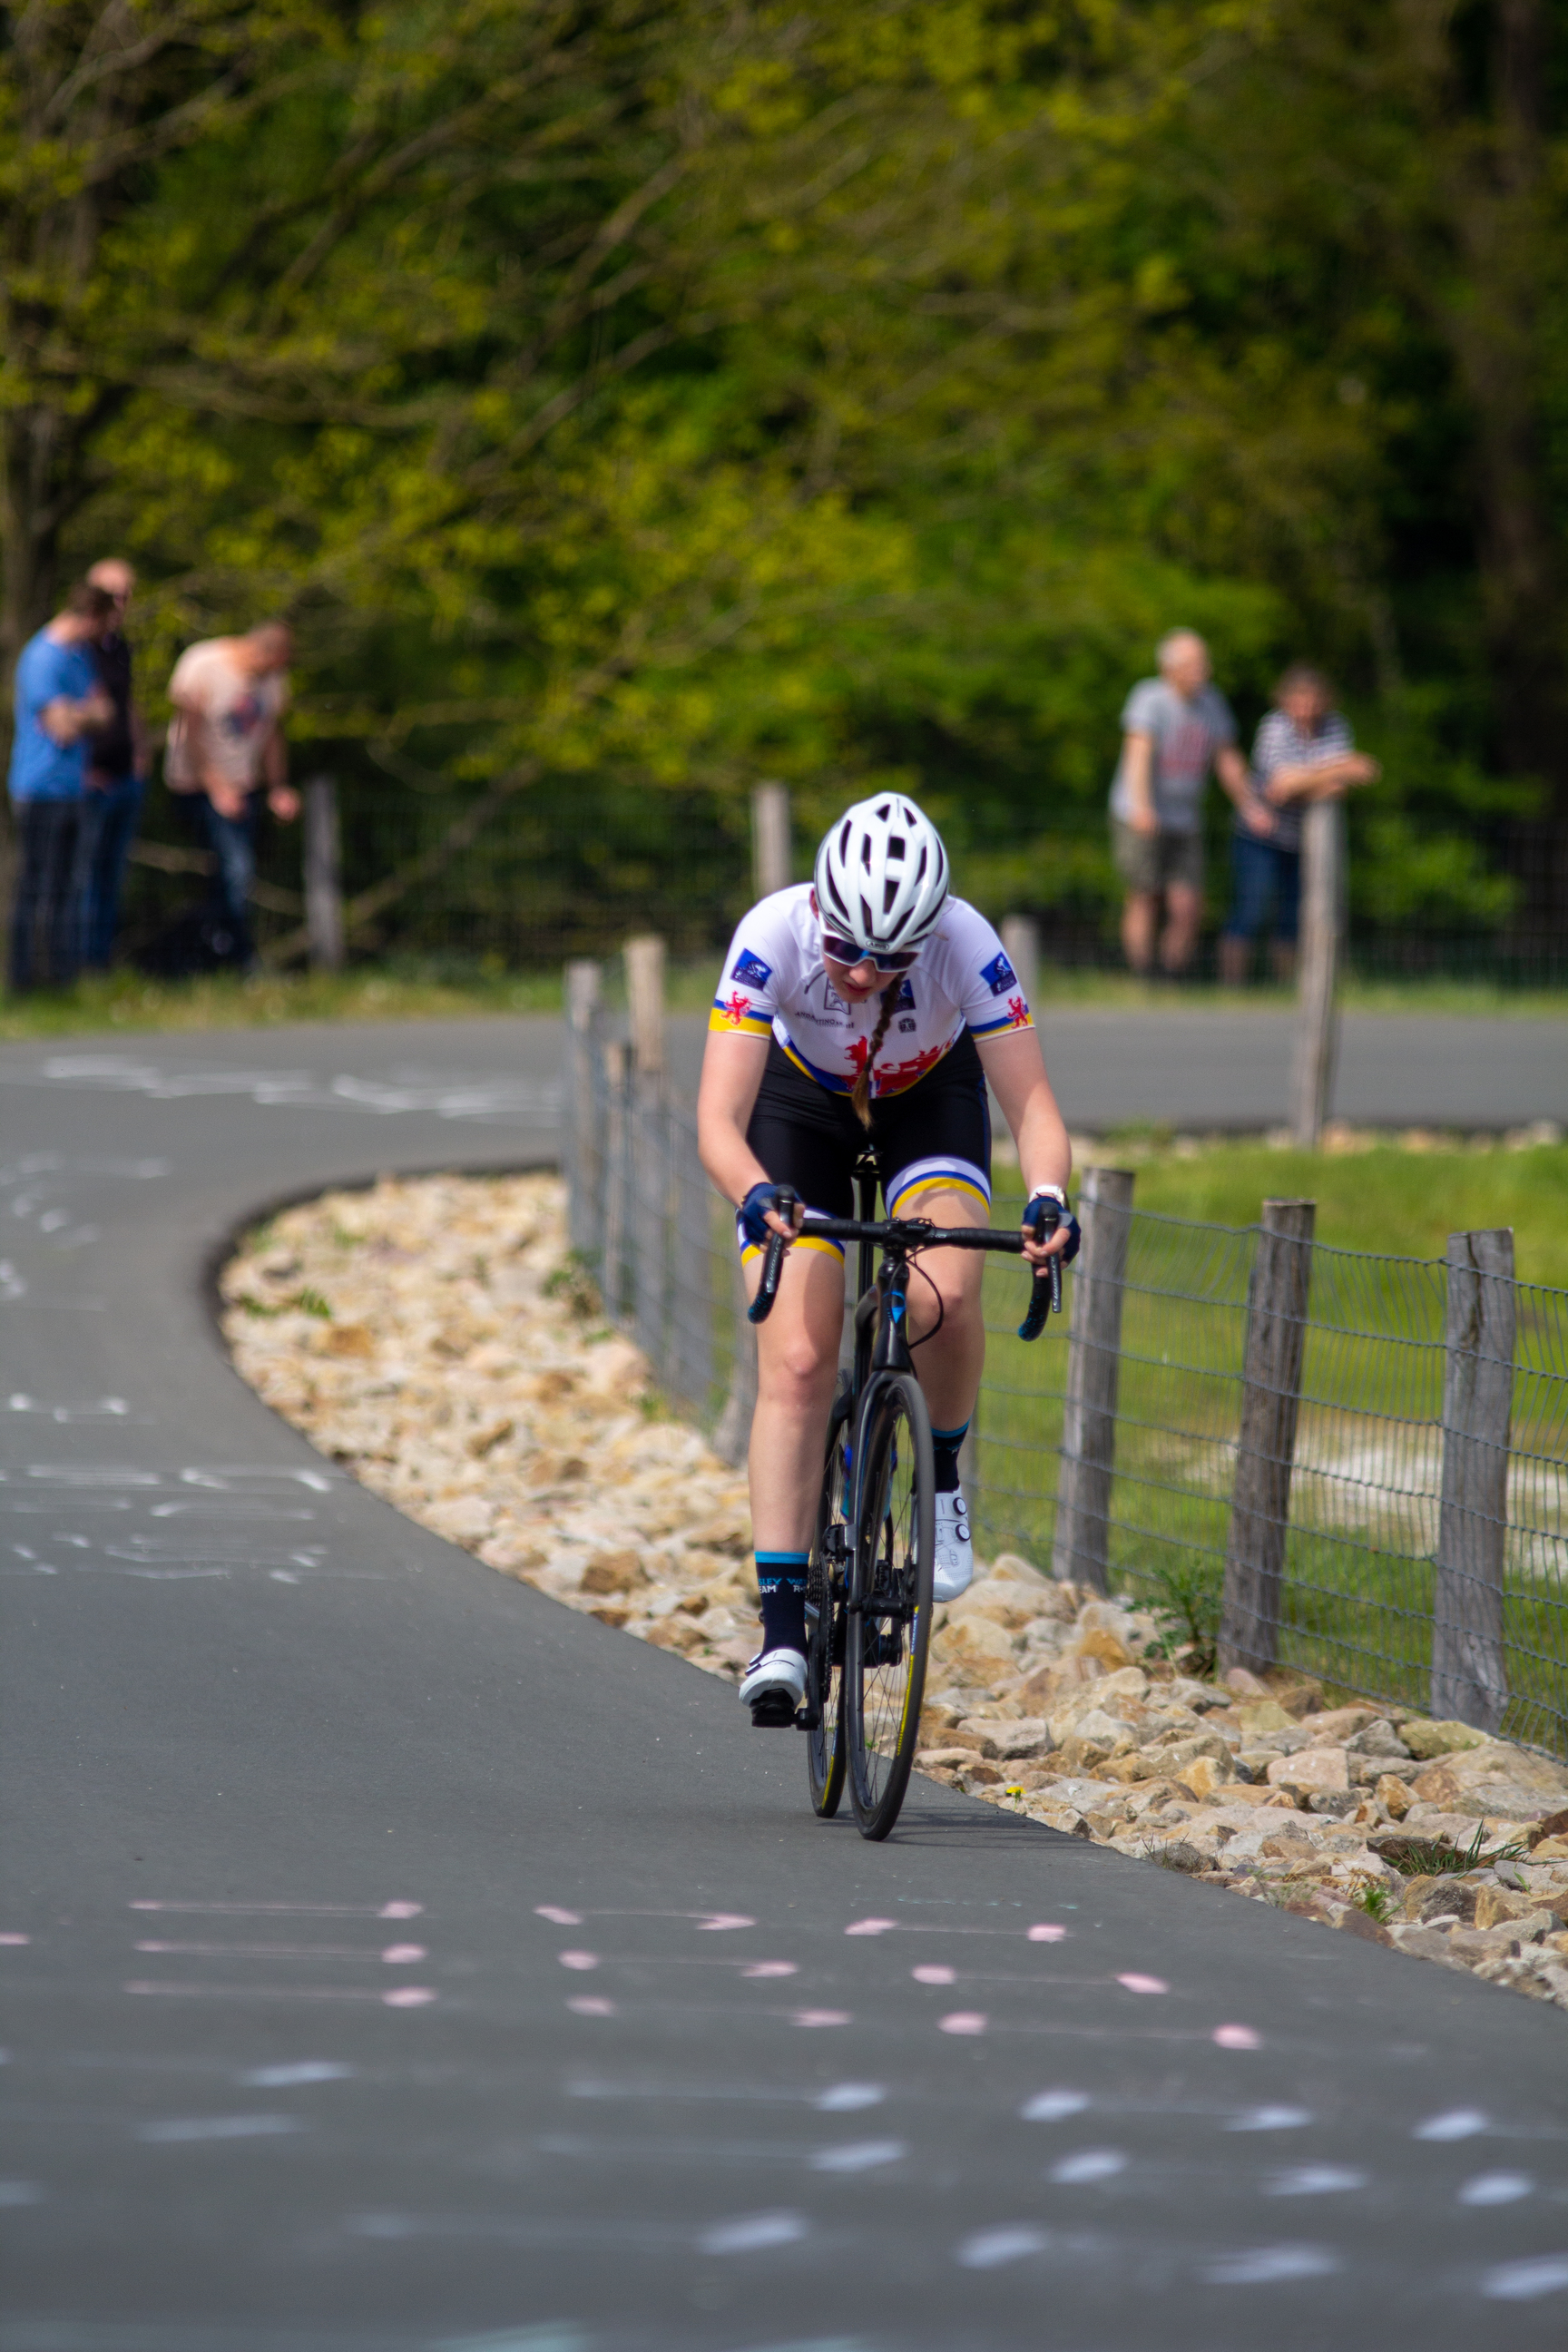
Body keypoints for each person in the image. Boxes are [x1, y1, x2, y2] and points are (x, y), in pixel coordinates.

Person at [696, 794, 1080, 1724]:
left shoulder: (968, 943)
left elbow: (1031, 1106)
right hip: (799, 1110)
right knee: (797, 1356)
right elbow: (716, 1121)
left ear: (930, 935)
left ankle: (943, 1479)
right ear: (820, 912)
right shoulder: (771, 936)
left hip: (924, 1101)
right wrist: (756, 1194)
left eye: (893, 957)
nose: (865, 974)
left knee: (946, 1286)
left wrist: (1049, 1198)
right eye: (848, 951)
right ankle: (782, 1632)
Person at [1219, 664, 1380, 985]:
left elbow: (1356, 778)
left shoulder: (1335, 725)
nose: (1306, 708)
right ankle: (1232, 985)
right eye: (1299, 699)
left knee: (1293, 916)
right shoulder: (1274, 726)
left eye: (1314, 700)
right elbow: (1281, 784)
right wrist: (1337, 768)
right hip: (1260, 834)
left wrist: (1305, 778)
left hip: (1305, 839)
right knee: (1251, 908)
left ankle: (1285, 986)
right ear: (1285, 699)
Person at [1109, 629, 1255, 977]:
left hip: (1185, 817)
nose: (1203, 671)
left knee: (1187, 903)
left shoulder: (1211, 701)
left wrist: (1250, 803)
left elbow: (1226, 757)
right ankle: (1142, 976)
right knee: (1144, 895)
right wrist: (1143, 807)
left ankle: (1172, 976)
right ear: (1169, 668)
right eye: (1195, 664)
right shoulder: (1150, 697)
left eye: (1204, 664)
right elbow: (1138, 754)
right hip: (1139, 813)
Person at [165, 621, 299, 969]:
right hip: (197, 788)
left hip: (244, 789)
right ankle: (234, 960)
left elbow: (271, 735)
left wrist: (278, 787)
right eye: (275, 665)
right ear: (262, 652)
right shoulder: (203, 663)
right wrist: (217, 789)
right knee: (231, 871)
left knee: (238, 874)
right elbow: (188, 733)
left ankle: (222, 956)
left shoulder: (271, 679)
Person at [6, 581, 116, 993]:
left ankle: (59, 978)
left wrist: (80, 712)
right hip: (40, 789)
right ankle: (24, 980)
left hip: (73, 788)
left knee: (69, 886)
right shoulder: (42, 658)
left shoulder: (80, 656)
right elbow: (63, 727)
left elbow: (106, 713)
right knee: (37, 886)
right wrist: (84, 713)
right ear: (91, 618)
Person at [75, 558, 150, 971]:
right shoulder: (76, 648)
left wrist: (140, 755)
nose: (120, 604)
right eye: (111, 595)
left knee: (111, 879)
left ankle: (100, 968)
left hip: (125, 779)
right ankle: (77, 968)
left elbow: (127, 703)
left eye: (126, 595)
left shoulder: (121, 646)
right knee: (82, 879)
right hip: (90, 782)